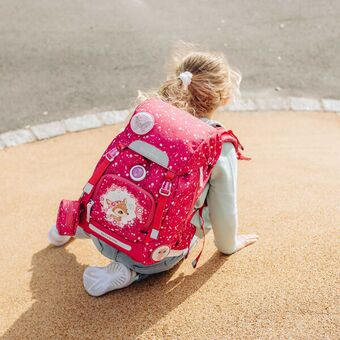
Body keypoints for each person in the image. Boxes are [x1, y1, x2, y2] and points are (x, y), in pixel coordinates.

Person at [48, 46, 259, 296]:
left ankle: (71, 225)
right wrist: (230, 244)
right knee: (209, 213)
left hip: (100, 228)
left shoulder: (149, 115)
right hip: (151, 255)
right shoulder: (216, 143)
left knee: (125, 184)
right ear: (223, 96)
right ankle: (131, 271)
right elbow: (225, 210)